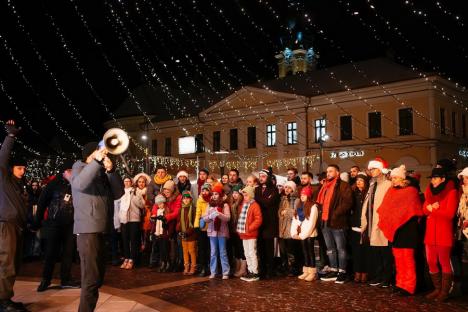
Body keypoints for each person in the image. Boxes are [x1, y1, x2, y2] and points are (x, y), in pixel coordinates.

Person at [71, 141, 124, 312]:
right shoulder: (79, 167)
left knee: (98, 278)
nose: (103, 156)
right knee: (91, 279)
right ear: (89, 154)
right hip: (87, 230)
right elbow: (79, 184)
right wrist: (95, 161)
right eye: (98, 152)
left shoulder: (101, 172)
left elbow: (118, 193)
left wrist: (111, 171)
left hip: (102, 229)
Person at [377, 165, 423, 296]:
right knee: (398, 258)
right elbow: (385, 208)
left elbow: (413, 210)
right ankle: (400, 283)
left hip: (408, 229)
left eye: (396, 178)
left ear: (402, 178)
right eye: (392, 178)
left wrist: (397, 218)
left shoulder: (411, 191)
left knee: (407, 259)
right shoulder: (391, 191)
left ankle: (409, 286)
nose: (393, 180)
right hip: (395, 229)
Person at [35, 159, 80, 292]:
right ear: (64, 172)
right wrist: (38, 221)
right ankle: (45, 279)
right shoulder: (52, 185)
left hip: (70, 225)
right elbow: (42, 203)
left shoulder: (75, 185)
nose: (73, 174)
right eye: (70, 171)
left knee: (68, 253)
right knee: (50, 253)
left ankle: (66, 279)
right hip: (53, 225)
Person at [0, 120, 29, 312]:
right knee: (7, 263)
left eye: (24, 168)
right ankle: (3, 302)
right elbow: (2, 158)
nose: (23, 171)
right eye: (19, 168)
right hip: (7, 225)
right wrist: (10, 137)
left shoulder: (19, 186)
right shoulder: (4, 179)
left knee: (13, 264)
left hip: (17, 226)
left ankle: (6, 298)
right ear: (11, 169)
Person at [423, 168, 458, 302]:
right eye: (432, 178)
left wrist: (434, 210)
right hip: (430, 234)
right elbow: (424, 209)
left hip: (443, 233)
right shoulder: (429, 192)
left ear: (443, 179)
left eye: (436, 178)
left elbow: (449, 214)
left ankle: (444, 291)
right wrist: (430, 208)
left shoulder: (452, 192)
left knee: (444, 262)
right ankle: (437, 289)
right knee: (431, 261)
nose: (433, 180)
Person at [316, 165, 353, 284]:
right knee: (330, 249)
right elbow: (320, 202)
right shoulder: (325, 186)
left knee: (341, 248)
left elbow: (347, 203)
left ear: (338, 172)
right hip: (325, 221)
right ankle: (333, 269)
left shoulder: (343, 185)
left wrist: (335, 214)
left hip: (337, 221)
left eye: (331, 171)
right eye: (327, 171)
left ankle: (342, 271)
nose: (328, 173)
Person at [361, 158, 393, 288]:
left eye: (373, 169)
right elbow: (367, 204)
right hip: (372, 222)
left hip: (383, 222)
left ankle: (387, 277)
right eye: (370, 169)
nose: (371, 171)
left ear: (380, 170)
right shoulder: (372, 184)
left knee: (385, 251)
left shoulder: (388, 185)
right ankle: (378, 275)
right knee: (376, 251)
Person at [255, 169, 280, 279]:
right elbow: (263, 202)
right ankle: (262, 269)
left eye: (263, 176)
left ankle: (271, 270)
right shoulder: (257, 189)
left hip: (270, 222)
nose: (261, 178)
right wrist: (264, 200)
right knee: (260, 247)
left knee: (269, 248)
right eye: (260, 176)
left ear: (268, 177)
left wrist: (261, 199)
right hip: (259, 222)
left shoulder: (274, 189)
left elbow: (268, 203)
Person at [291, 186, 319, 282]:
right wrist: (294, 233)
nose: (302, 196)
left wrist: (303, 235)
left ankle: (312, 272)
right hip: (302, 233)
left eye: (304, 195)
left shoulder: (313, 207)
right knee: (304, 252)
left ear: (308, 196)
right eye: (301, 195)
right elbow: (296, 219)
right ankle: (306, 270)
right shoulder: (299, 205)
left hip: (309, 234)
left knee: (310, 252)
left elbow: (312, 223)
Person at [203, 182, 231, 279]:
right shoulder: (209, 205)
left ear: (220, 195)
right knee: (213, 252)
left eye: (216, 194)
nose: (214, 196)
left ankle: (225, 272)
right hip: (212, 232)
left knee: (223, 252)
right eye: (213, 194)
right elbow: (205, 218)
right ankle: (213, 272)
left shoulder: (224, 205)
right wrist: (210, 216)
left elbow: (228, 218)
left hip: (222, 232)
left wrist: (219, 214)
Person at [118, 176, 145, 270]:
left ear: (131, 182)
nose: (127, 183)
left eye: (128, 181)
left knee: (134, 240)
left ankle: (132, 259)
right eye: (125, 181)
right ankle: (126, 257)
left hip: (134, 219)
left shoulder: (136, 191)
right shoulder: (121, 192)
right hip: (124, 219)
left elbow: (142, 205)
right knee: (125, 240)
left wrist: (134, 197)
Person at [237, 186, 262, 282]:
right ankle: (250, 270)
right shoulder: (244, 204)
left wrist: (249, 228)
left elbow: (258, 220)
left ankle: (255, 272)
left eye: (246, 195)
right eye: (244, 196)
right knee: (246, 253)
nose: (245, 197)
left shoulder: (255, 205)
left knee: (252, 253)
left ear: (251, 195)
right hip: (244, 233)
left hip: (251, 233)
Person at [349, 172, 370, 283]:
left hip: (366, 225)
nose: (358, 182)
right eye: (357, 180)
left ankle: (365, 272)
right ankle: (357, 272)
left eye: (361, 180)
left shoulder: (368, 194)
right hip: (355, 225)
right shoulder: (353, 193)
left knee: (365, 250)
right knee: (356, 250)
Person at [278, 181, 301, 276]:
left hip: (291, 227)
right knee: (283, 250)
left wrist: (285, 212)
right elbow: (279, 212)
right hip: (282, 226)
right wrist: (281, 212)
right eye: (285, 187)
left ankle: (293, 268)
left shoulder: (296, 199)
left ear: (293, 189)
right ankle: (285, 267)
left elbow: (296, 213)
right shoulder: (282, 198)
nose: (286, 189)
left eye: (289, 187)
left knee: (291, 250)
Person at [176, 191, 198, 275]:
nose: (185, 200)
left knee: (192, 251)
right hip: (183, 234)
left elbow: (194, 222)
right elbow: (178, 221)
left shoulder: (193, 209)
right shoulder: (181, 209)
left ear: (190, 199)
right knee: (185, 251)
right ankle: (186, 266)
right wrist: (178, 229)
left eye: (187, 198)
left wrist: (188, 232)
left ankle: (193, 267)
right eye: (184, 198)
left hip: (191, 234)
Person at [229, 185, 247, 277]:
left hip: (241, 230)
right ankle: (238, 267)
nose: (234, 195)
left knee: (241, 249)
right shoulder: (232, 204)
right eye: (233, 193)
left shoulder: (242, 204)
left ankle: (243, 269)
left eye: (236, 193)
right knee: (236, 249)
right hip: (233, 230)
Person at [194, 183, 212, 276]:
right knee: (202, 248)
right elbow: (198, 213)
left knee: (210, 248)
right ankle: (203, 267)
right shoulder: (199, 200)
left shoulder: (212, 199)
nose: (204, 192)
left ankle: (210, 267)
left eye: (206, 190)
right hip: (202, 226)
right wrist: (196, 226)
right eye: (203, 190)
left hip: (211, 226)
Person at [150, 195, 169, 272]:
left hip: (164, 233)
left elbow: (167, 222)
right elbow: (155, 223)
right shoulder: (157, 211)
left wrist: (164, 220)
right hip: (157, 233)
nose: (160, 205)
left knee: (165, 249)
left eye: (161, 203)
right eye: (158, 204)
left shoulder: (166, 211)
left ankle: (166, 263)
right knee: (160, 249)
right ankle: (162, 263)